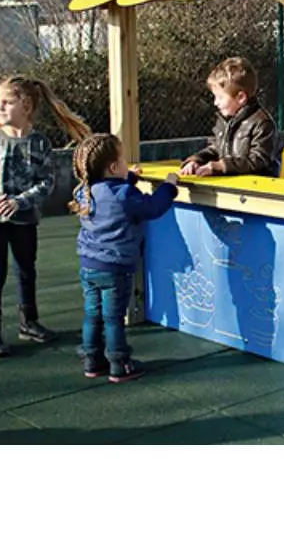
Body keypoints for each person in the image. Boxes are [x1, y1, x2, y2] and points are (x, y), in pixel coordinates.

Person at [0, 75, 91, 358]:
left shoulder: (39, 144)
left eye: (7, 102)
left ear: (25, 105)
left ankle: (29, 321)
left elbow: (46, 182)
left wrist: (19, 202)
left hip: (24, 219)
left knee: (26, 269)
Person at [70, 133, 179, 383]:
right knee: (113, 317)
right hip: (115, 267)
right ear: (112, 167)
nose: (125, 164)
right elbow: (152, 207)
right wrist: (169, 185)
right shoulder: (125, 195)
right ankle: (119, 363)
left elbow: (111, 192)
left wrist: (130, 176)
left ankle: (92, 359)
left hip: (88, 264)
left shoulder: (85, 193)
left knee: (92, 314)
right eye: (123, 161)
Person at [180, 56, 280, 178]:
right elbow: (216, 148)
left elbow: (258, 160)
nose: (215, 102)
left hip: (258, 191)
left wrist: (221, 166)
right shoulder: (224, 121)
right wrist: (196, 160)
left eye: (220, 97)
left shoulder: (262, 123)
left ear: (241, 97)